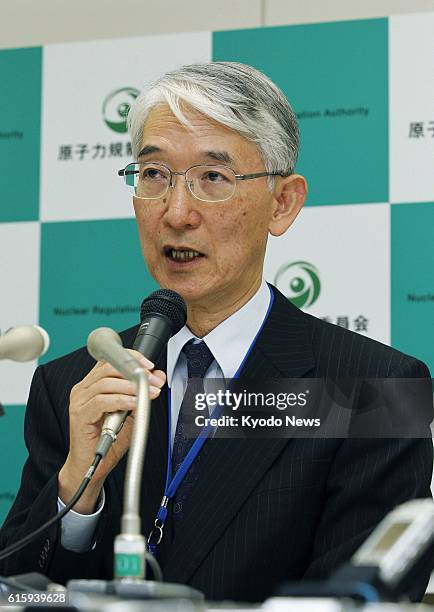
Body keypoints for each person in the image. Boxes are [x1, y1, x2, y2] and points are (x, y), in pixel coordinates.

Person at [0, 62, 432, 603]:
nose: (177, 213)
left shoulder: (373, 389)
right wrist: (76, 493)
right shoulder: (73, 384)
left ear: (282, 203)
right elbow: (21, 595)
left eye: (214, 178)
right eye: (154, 174)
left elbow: (359, 599)